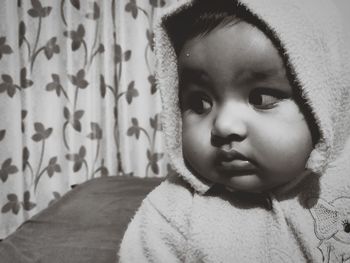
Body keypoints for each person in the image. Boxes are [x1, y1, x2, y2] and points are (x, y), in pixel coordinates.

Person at [119, 0, 350, 262]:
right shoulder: (170, 215)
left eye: (260, 98)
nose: (223, 126)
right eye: (199, 103)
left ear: (324, 102)